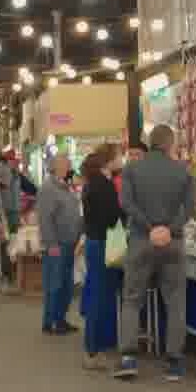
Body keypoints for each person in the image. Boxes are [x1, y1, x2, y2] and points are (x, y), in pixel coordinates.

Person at [114, 124, 196, 382]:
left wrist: (150, 227)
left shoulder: (132, 170)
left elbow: (126, 203)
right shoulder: (182, 171)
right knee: (175, 301)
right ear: (170, 144)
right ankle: (174, 362)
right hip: (173, 243)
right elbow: (190, 207)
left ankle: (128, 359)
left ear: (150, 143)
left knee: (132, 299)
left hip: (141, 240)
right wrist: (169, 228)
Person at [79, 149, 123, 367]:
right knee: (100, 295)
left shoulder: (91, 184)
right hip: (104, 243)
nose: (121, 160)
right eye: (118, 156)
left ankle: (94, 346)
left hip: (93, 242)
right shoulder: (104, 185)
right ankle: (92, 350)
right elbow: (111, 217)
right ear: (108, 161)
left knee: (98, 293)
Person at [36, 153, 82, 335]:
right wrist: (51, 243)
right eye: (66, 164)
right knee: (54, 284)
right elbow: (45, 219)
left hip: (69, 244)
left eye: (69, 164)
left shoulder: (65, 187)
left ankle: (61, 318)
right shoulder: (48, 189)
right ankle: (51, 321)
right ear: (55, 167)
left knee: (66, 284)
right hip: (57, 245)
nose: (69, 167)